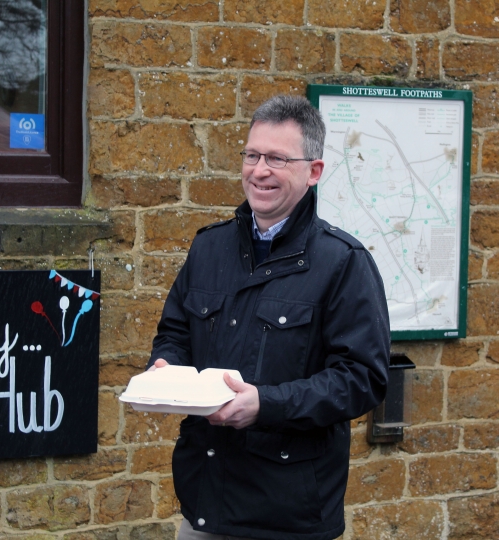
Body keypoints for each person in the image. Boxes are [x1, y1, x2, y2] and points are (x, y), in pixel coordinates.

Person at [147, 95, 390, 540]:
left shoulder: (343, 263)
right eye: (253, 155)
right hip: (204, 504)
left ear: (313, 172)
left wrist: (266, 405)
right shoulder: (208, 248)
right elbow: (175, 332)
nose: (259, 170)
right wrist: (167, 368)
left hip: (287, 517)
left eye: (277, 159)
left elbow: (363, 380)